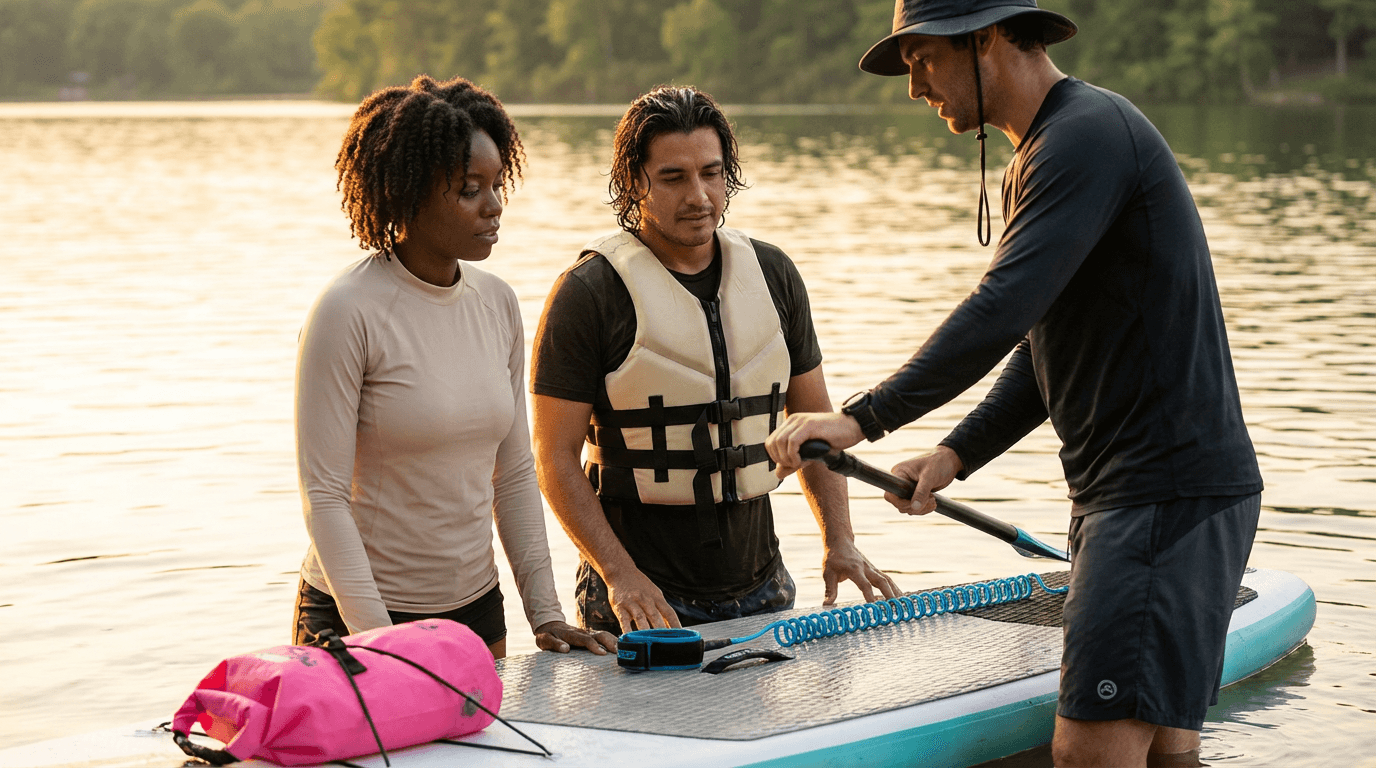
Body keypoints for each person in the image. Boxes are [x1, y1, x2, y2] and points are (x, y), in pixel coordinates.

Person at [765, 2, 1264, 766]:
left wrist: (861, 419)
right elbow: (1041, 348)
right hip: (1156, 495)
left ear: (987, 38)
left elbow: (1001, 309)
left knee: (1087, 755)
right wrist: (955, 455)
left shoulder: (1084, 138)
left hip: (1159, 497)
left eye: (923, 58)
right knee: (1164, 752)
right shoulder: (1051, 149)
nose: (913, 85)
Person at [530, 85, 899, 635]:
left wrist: (840, 541)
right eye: (673, 177)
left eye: (711, 172)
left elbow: (814, 425)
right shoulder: (588, 294)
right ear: (635, 182)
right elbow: (553, 458)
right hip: (640, 596)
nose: (698, 196)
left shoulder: (773, 276)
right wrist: (619, 575)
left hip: (765, 585)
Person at [292, 74, 615, 660]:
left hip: (475, 610)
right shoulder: (347, 312)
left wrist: (545, 613)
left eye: (497, 185)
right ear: (410, 191)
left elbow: (514, 473)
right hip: (356, 617)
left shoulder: (497, 303)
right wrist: (379, 640)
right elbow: (325, 496)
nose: (494, 206)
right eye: (471, 189)